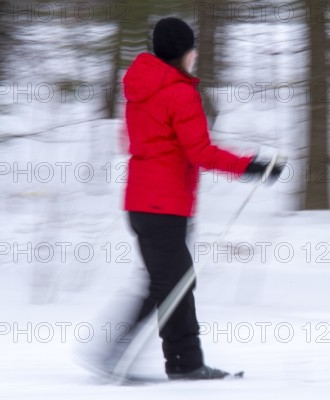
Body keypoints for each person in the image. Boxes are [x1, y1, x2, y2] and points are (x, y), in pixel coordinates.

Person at [120, 17, 282, 380]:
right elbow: (200, 152)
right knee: (172, 283)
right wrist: (252, 167)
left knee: (171, 283)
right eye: (192, 50)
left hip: (143, 203)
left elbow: (134, 142)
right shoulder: (178, 92)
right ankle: (125, 351)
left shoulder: (139, 88)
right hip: (163, 206)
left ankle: (182, 362)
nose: (194, 57)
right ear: (183, 53)